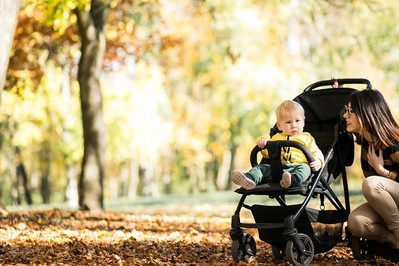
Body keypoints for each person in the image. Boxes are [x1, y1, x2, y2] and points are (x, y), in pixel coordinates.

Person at [344, 89, 399, 262]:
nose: (346, 115)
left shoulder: (394, 139)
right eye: (346, 110)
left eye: (351, 112)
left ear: (366, 113)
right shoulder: (366, 142)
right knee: (355, 222)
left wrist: (383, 171)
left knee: (371, 183)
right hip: (391, 205)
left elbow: (376, 183)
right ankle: (393, 241)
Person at [231, 100, 324, 189]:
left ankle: (292, 180)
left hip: (297, 168)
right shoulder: (276, 137)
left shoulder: (307, 138)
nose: (294, 125)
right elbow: (267, 154)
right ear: (279, 126)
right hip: (277, 169)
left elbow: (317, 152)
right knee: (261, 168)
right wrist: (262, 143)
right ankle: (249, 178)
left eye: (297, 121)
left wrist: (319, 162)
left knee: (305, 168)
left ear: (303, 122)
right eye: (288, 122)